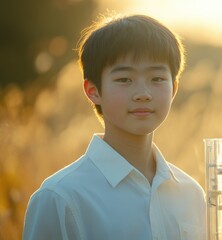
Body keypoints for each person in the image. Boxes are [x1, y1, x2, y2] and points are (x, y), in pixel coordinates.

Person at [23, 13, 206, 240]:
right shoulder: (61, 197)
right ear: (93, 91)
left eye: (157, 79)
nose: (143, 94)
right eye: (124, 80)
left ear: (174, 88)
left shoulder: (192, 194)